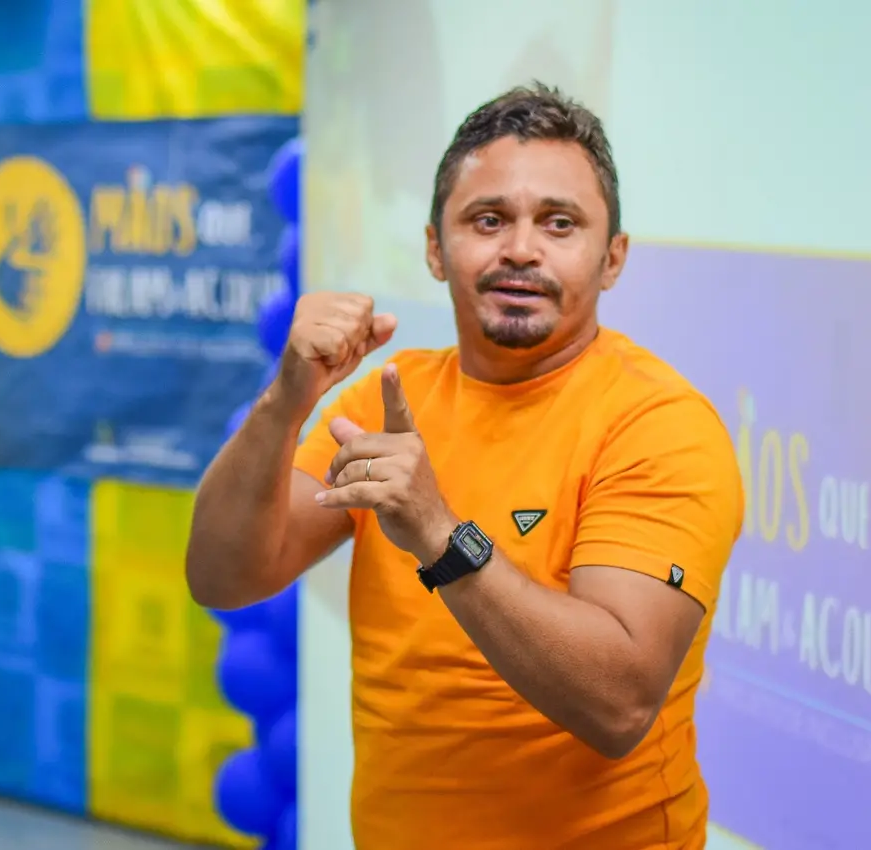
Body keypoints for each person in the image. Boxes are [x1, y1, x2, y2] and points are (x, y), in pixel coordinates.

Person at [186, 82, 743, 849]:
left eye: (559, 223)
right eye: (489, 220)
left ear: (611, 258)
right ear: (434, 248)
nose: (521, 248)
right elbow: (223, 575)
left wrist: (442, 537)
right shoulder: (395, 393)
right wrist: (285, 399)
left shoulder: (659, 426)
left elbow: (618, 704)